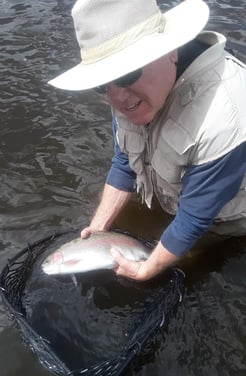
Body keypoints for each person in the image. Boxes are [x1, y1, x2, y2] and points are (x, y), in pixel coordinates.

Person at [48, 0, 246, 281]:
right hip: (182, 204)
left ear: (170, 52)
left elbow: (194, 219)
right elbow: (124, 162)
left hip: (226, 223)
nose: (116, 98)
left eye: (127, 73)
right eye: (102, 84)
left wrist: (145, 270)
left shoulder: (225, 116)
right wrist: (99, 229)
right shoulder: (128, 97)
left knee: (193, 268)